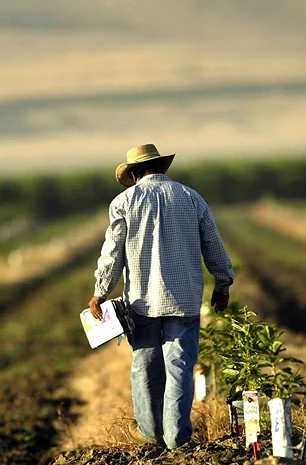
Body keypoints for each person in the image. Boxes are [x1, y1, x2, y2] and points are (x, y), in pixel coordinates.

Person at [89, 144, 235, 450]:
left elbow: (113, 252)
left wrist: (100, 291)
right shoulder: (191, 198)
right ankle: (176, 439)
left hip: (141, 301)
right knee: (180, 368)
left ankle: (153, 438)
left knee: (144, 368)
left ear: (134, 173)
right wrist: (223, 283)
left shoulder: (123, 202)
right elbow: (213, 245)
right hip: (184, 300)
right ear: (160, 168)